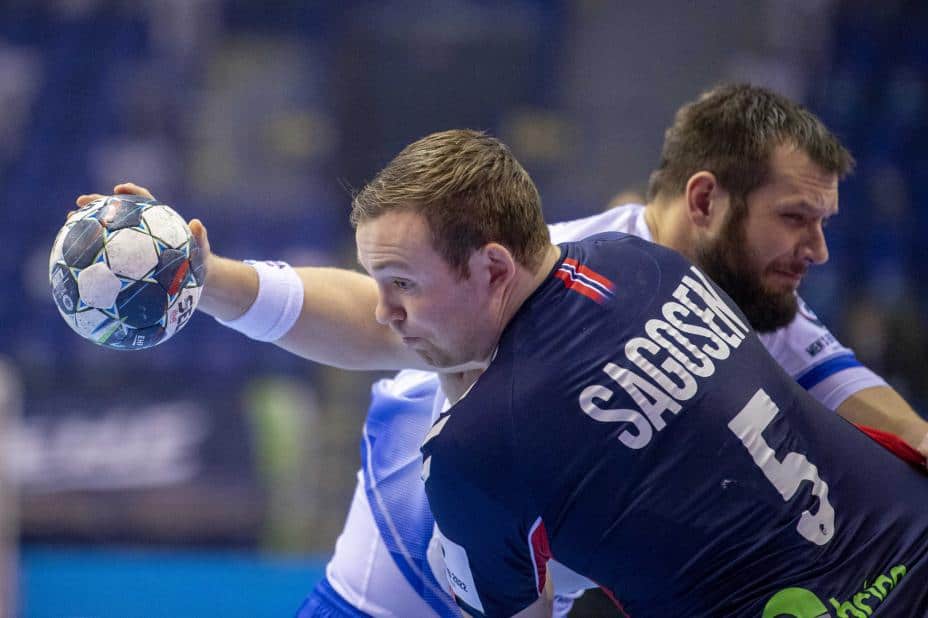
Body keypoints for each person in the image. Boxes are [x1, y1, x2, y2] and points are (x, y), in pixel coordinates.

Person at [75, 85, 928, 616]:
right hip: (411, 554)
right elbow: (381, 320)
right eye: (794, 218)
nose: (815, 251)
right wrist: (214, 279)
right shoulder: (592, 261)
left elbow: (858, 395)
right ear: (704, 202)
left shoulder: (687, 279)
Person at [353, 128, 928, 617]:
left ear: (494, 268)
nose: (385, 312)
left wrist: (457, 408)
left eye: (402, 283)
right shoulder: (639, 259)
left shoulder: (471, 449)